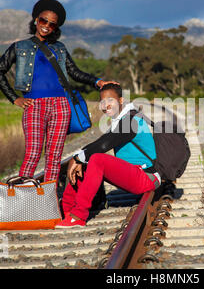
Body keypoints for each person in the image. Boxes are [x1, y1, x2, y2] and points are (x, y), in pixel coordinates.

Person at [0, 0, 117, 183]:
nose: (46, 26)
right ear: (36, 20)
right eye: (43, 21)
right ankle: (24, 199)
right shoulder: (20, 47)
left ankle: (47, 201)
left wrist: (97, 81)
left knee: (54, 156)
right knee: (33, 152)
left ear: (55, 27)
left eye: (52, 24)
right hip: (33, 105)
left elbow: (74, 72)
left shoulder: (59, 48)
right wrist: (14, 99)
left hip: (61, 106)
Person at [55, 83, 161, 228]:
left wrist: (77, 158)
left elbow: (104, 145)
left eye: (110, 100)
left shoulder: (131, 122)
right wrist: (79, 158)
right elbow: (100, 142)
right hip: (134, 173)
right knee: (86, 162)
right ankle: (66, 211)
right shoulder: (122, 120)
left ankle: (78, 216)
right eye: (103, 101)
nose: (106, 105)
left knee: (96, 159)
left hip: (146, 177)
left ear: (121, 101)